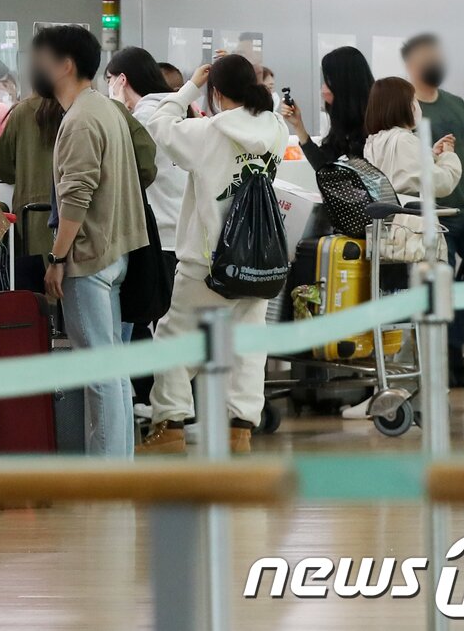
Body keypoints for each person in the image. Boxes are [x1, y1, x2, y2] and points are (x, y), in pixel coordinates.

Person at [138, 55, 289, 455]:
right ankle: (239, 431)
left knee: (174, 339)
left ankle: (169, 427)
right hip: (259, 260)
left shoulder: (206, 132)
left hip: (208, 262)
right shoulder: (277, 129)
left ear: (217, 93)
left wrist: (189, 86)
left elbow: (157, 123)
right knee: (249, 345)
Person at [32, 25, 148, 458]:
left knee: (99, 371)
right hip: (115, 253)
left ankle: (103, 471)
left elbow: (75, 197)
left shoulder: (80, 119)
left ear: (65, 65)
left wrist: (57, 257)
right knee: (112, 366)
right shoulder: (104, 110)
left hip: (87, 257)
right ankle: (119, 464)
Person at [403, 33, 464, 388]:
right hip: (434, 215)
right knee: (442, 286)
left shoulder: (456, 104)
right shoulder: (407, 108)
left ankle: (454, 346)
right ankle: (446, 360)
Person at [107, 47, 188, 283]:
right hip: (183, 228)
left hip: (157, 231)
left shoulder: (141, 120)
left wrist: (117, 107)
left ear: (122, 80)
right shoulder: (178, 112)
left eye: (110, 80)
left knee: (150, 314)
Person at [363, 77, 462, 198]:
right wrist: (448, 156)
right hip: (410, 214)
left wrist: (431, 155)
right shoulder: (404, 140)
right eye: (413, 100)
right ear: (403, 106)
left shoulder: (373, 142)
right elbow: (441, 183)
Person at [279, 46, 374, 169]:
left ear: (344, 83)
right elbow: (323, 165)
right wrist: (298, 125)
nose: (323, 89)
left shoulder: (374, 125)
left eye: (328, 81)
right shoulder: (343, 122)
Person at [0, 96, 62, 257]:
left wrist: (25, 172)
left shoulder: (21, 113)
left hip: (31, 217)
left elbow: (0, 166)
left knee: (33, 277)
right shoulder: (80, 109)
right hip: (72, 214)